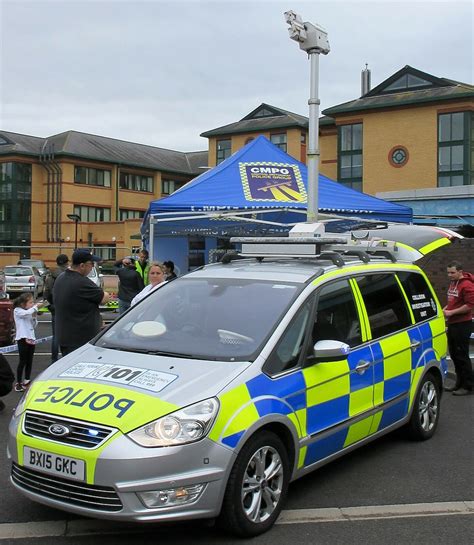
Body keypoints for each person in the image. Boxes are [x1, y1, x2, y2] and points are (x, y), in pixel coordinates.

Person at [53, 249, 111, 356]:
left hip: (66, 337)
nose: (92, 267)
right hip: (79, 341)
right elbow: (104, 298)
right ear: (82, 265)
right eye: (91, 264)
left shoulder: (61, 278)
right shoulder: (81, 282)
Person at [443, 261, 474, 396]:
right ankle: (458, 383)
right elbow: (453, 301)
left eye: (452, 272)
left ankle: (468, 386)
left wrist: (452, 313)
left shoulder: (467, 285)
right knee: (454, 355)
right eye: (448, 272)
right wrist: (445, 309)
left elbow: (469, 305)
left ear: (460, 271)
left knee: (462, 356)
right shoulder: (453, 283)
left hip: (462, 324)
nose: (450, 275)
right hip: (453, 323)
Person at [13, 293, 45, 392]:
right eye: (30, 302)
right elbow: (25, 314)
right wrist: (35, 307)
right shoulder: (17, 311)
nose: (32, 304)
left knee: (29, 361)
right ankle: (18, 382)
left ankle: (27, 380)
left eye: (32, 302)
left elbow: (33, 325)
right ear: (23, 303)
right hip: (22, 338)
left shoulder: (30, 311)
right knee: (22, 361)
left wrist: (35, 316)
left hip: (31, 338)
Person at [43, 253, 69, 362]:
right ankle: (66, 358)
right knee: (68, 334)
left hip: (54, 307)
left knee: (55, 336)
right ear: (67, 262)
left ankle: (54, 359)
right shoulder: (68, 275)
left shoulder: (51, 275)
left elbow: (46, 293)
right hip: (67, 308)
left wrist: (50, 306)